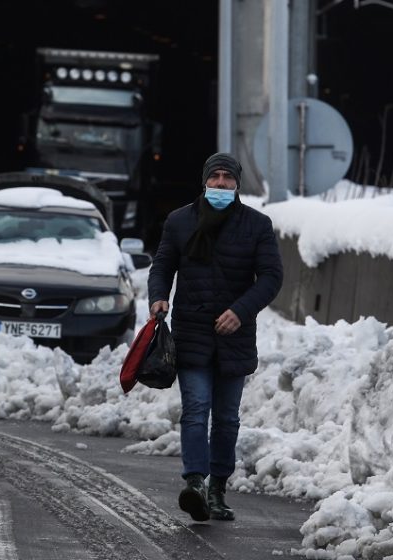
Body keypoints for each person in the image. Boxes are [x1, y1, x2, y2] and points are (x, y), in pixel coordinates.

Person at [147, 152, 283, 522]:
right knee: (195, 409)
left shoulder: (256, 225)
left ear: (237, 183)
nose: (220, 183)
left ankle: (218, 489)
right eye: (215, 177)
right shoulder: (180, 221)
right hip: (191, 333)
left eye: (227, 177)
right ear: (204, 181)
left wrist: (240, 311)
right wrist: (158, 296)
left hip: (235, 338)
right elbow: (162, 265)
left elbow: (271, 277)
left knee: (226, 419)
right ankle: (194, 483)